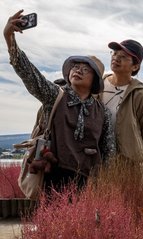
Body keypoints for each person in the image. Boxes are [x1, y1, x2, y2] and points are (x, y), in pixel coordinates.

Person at [4, 10, 115, 194]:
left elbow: (108, 154)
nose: (78, 70)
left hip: (87, 182)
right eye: (75, 67)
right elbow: (31, 75)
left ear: (95, 81)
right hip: (51, 174)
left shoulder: (103, 113)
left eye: (85, 69)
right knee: (52, 222)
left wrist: (105, 188)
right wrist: (9, 39)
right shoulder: (55, 95)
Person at [100, 39, 143, 164]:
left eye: (123, 57)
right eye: (114, 54)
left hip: (124, 164)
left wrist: (130, 150)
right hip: (95, 159)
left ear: (135, 66)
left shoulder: (140, 96)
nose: (116, 58)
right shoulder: (97, 85)